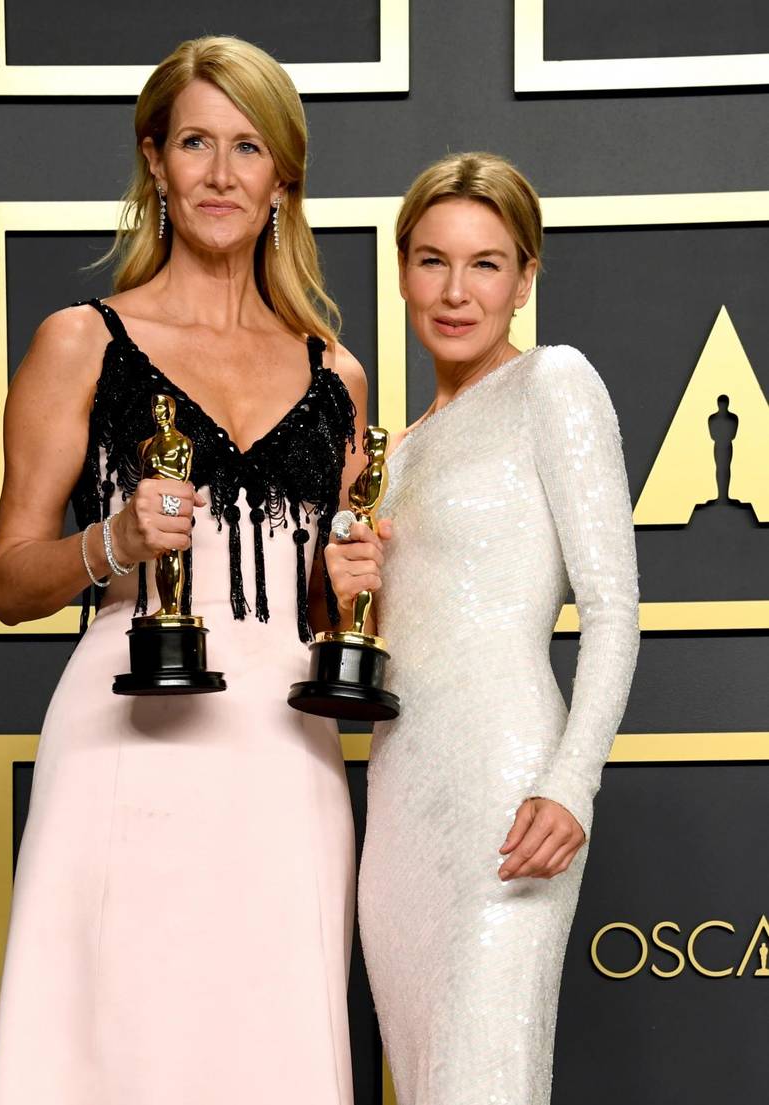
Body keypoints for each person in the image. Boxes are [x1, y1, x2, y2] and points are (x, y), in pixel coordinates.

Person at [0, 35, 368, 1105]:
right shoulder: (81, 341)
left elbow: (322, 606)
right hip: (127, 736)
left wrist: (350, 582)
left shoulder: (335, 373)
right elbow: (8, 579)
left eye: (247, 147)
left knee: (270, 1048)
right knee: (115, 1045)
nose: (220, 174)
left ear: (282, 176)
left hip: (284, 750)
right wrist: (112, 541)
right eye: (195, 143)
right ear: (154, 161)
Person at [326, 152, 640, 1104]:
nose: (456, 291)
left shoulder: (554, 382)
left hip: (509, 791)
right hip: (398, 808)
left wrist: (571, 782)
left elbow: (613, 609)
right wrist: (343, 587)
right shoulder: (394, 453)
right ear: (402, 272)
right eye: (432, 261)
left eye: (486, 264)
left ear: (525, 279)